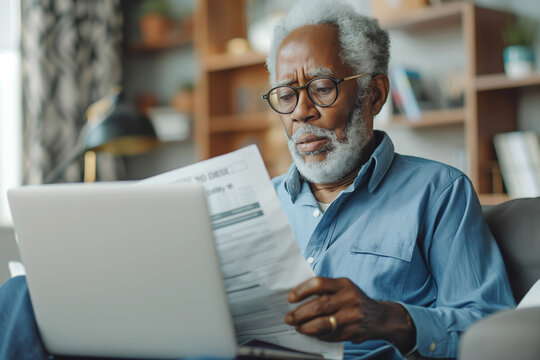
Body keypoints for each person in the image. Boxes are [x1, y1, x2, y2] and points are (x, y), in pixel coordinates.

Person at [0, 1, 515, 359]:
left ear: (374, 95)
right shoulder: (255, 197)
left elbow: (495, 328)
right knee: (22, 295)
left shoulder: (439, 192)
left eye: (321, 87)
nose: (302, 114)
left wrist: (388, 319)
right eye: (286, 97)